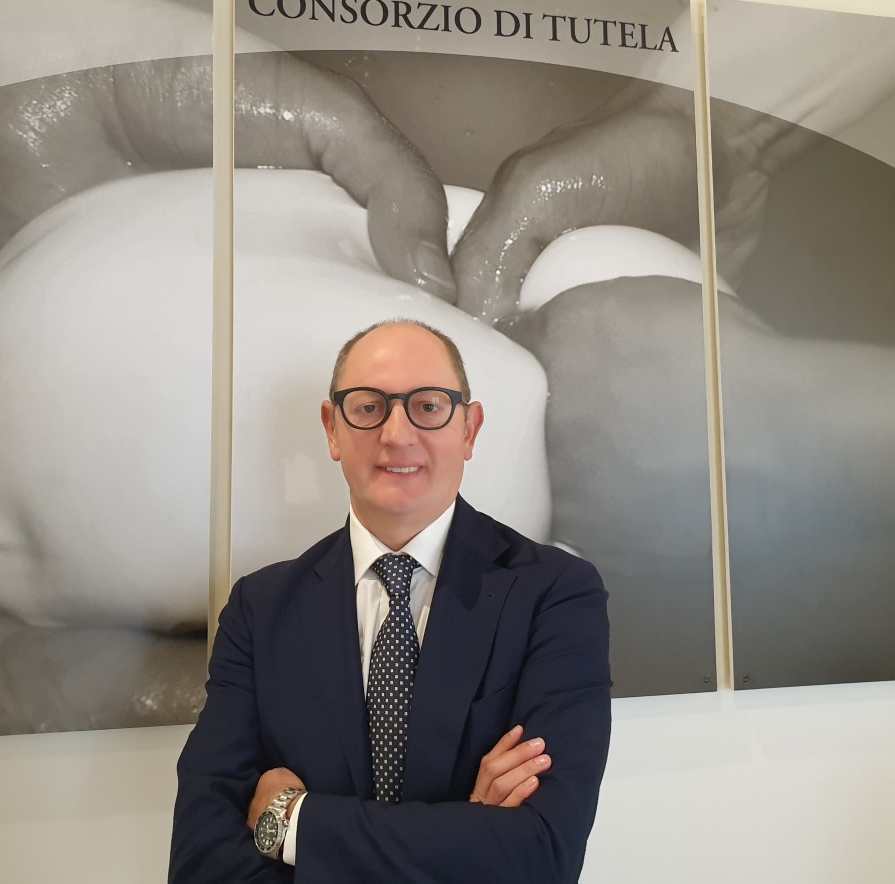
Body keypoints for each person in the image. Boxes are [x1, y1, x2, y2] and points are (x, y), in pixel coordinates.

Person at [169, 319, 612, 883]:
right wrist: (468, 835)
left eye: (428, 406)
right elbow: (201, 863)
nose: (397, 434)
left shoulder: (555, 594)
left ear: (469, 429)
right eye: (368, 407)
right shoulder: (260, 610)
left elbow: (543, 853)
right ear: (332, 429)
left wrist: (294, 823)